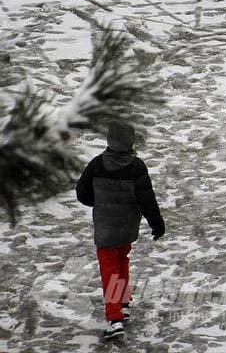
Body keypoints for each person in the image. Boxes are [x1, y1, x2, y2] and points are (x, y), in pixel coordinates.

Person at [75, 120, 165, 340]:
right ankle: (123, 303)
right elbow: (147, 200)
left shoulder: (97, 164)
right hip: (126, 228)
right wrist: (157, 223)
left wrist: (100, 202)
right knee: (122, 259)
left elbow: (82, 194)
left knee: (109, 269)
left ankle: (114, 319)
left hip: (105, 229)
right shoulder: (137, 167)